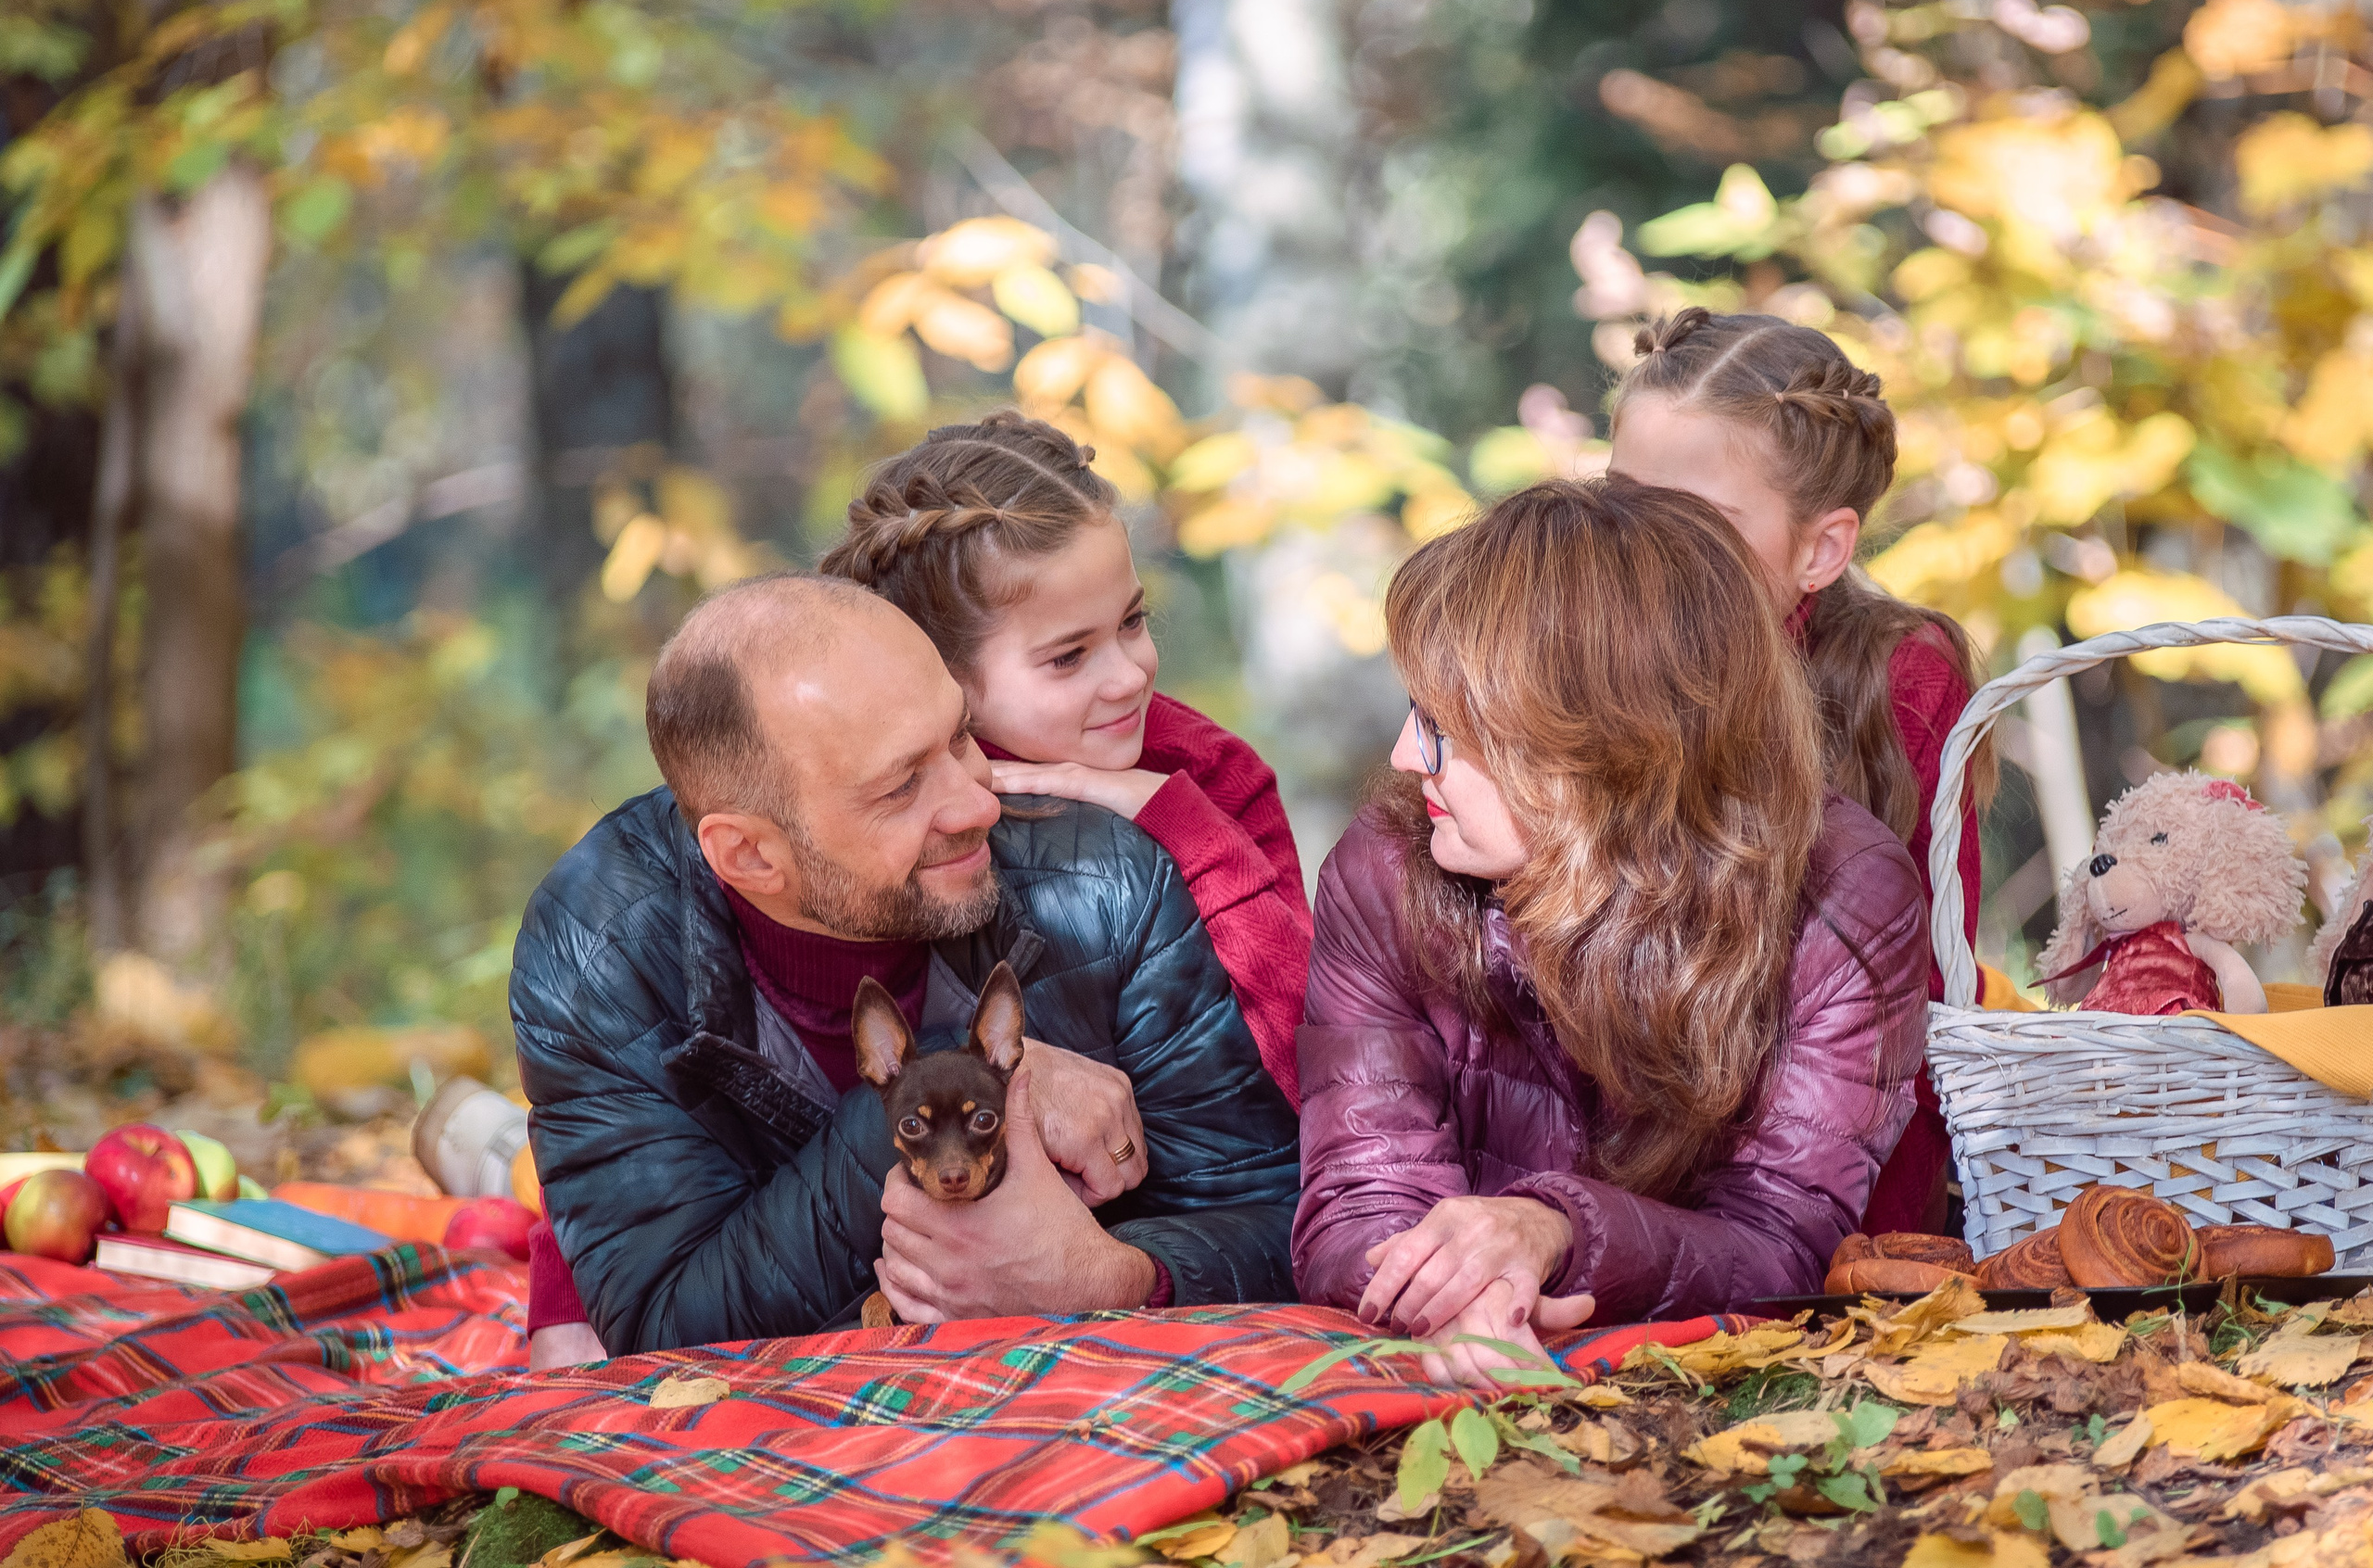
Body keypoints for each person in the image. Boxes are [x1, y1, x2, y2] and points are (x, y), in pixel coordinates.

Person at [508, 572, 1299, 1359]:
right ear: (749, 853)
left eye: (959, 736)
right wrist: (945, 1089)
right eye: (901, 786)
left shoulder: (1104, 881)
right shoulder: (599, 955)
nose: (977, 803)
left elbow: (1273, 1217)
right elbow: (661, 1331)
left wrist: (1121, 1279)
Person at [1292, 477, 1930, 1387]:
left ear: (1597, 748)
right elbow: (1361, 1189)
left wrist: (1552, 1228)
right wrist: (1462, 1290)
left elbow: (1783, 1240)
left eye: (1445, 726)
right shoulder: (1388, 862)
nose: (1403, 756)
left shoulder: (1844, 896)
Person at [1605, 307, 1994, 1236]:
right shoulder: (1571, 645)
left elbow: (1930, 1004)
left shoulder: (1900, 677)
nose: (1642, 547)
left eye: (1698, 521)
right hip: (1603, 1168)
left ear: (1820, 548)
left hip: (1832, 1191)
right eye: (1621, 496)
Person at [818, 411, 1313, 1107]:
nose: (1130, 675)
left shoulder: (1209, 770)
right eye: (1069, 655)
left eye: (1133, 622)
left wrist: (1185, 826)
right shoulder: (903, 825)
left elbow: (1320, 1059)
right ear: (946, 676)